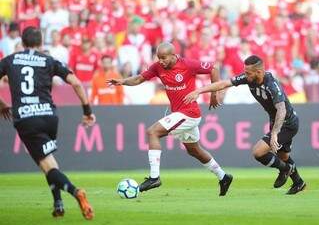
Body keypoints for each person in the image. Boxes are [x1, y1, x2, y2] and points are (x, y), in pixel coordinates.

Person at [107, 42, 233, 196]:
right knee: (194, 150)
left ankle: (154, 178)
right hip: (179, 113)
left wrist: (215, 95)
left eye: (164, 58)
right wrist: (123, 81)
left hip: (189, 113)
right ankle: (223, 177)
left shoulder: (187, 64)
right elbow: (139, 78)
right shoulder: (158, 67)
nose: (160, 61)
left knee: (152, 132)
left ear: (174, 55)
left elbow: (214, 68)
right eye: (158, 57)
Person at [0, 27, 95, 219]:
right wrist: (87, 112)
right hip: (49, 117)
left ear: (23, 42)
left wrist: (2, 103)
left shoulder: (10, 60)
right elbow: (76, 83)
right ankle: (58, 204)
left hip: (27, 119)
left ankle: (76, 192)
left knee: (46, 165)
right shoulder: (48, 60)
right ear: (41, 42)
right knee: (47, 160)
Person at [184, 55, 306, 195]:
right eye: (245, 71)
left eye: (248, 72)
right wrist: (199, 91)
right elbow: (224, 83)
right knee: (283, 156)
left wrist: (274, 133)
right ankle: (298, 182)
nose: (245, 75)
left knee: (258, 152)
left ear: (259, 72)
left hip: (287, 123)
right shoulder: (249, 78)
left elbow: (282, 109)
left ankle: (285, 169)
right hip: (276, 121)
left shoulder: (272, 84)